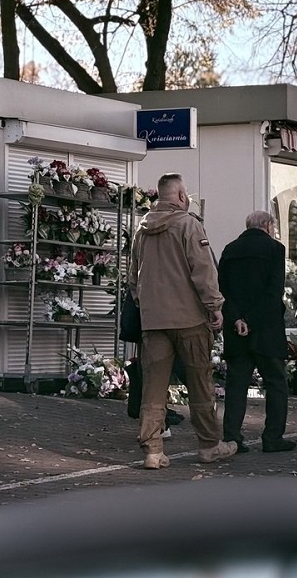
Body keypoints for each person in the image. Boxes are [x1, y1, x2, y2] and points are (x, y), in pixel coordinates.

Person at [128, 173, 235, 469]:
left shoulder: (141, 229)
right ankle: (209, 445)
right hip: (189, 319)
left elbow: (133, 275)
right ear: (179, 196)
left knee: (153, 388)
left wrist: (143, 304)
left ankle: (152, 450)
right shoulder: (189, 224)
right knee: (200, 383)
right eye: (185, 193)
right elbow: (203, 271)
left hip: (153, 321)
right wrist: (215, 307)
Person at [218, 210, 296, 454]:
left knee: (236, 385)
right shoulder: (275, 249)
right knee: (276, 383)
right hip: (266, 328)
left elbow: (222, 291)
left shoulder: (230, 250)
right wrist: (251, 321)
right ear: (268, 225)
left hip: (235, 329)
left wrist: (237, 319)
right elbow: (273, 292)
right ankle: (272, 437)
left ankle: (232, 437)